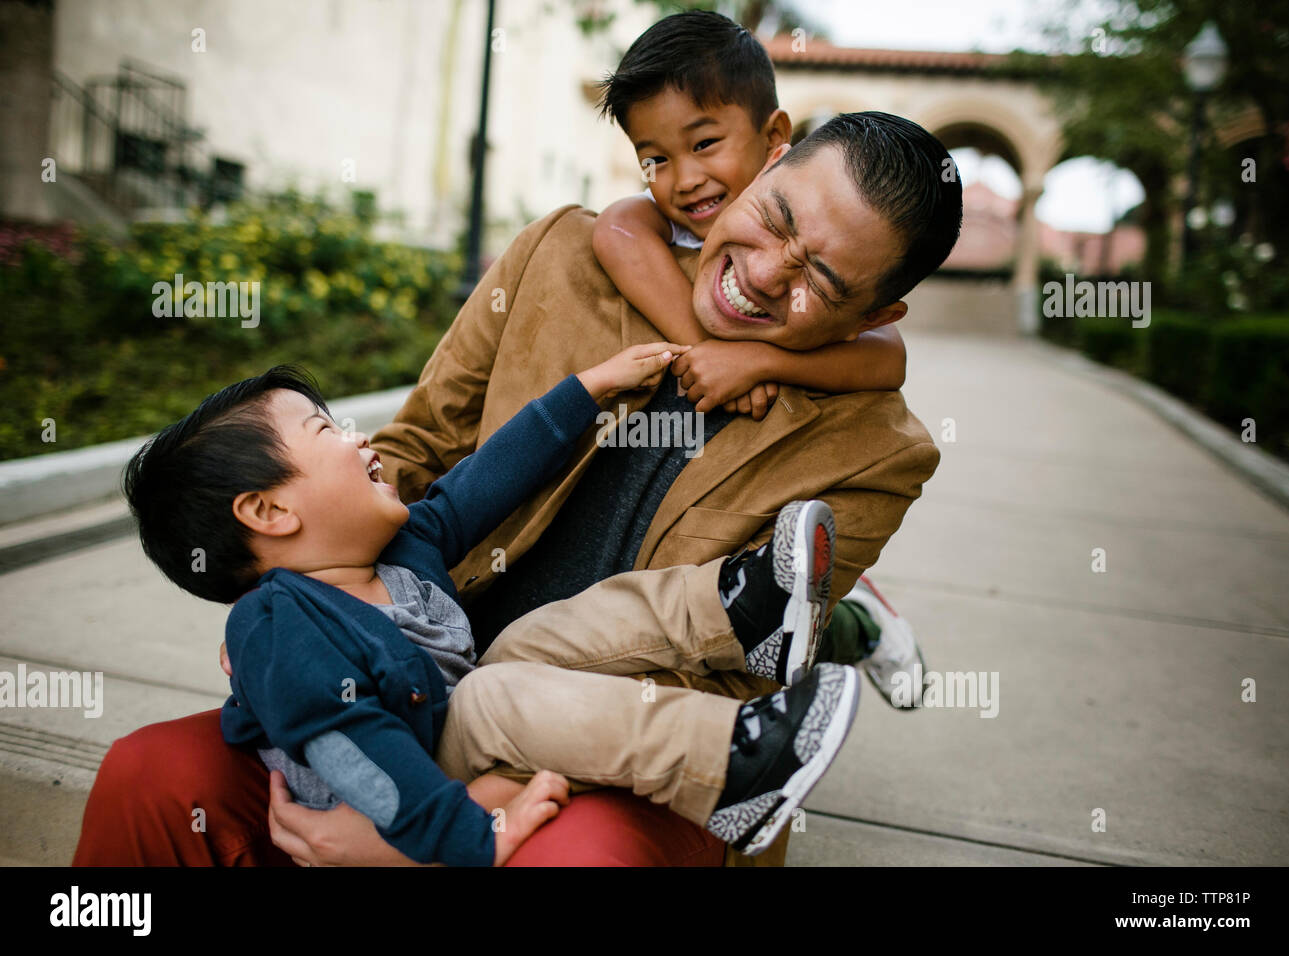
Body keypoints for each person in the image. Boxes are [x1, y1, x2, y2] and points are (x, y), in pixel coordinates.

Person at [74, 96, 961, 868]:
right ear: (768, 164)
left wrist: (454, 826)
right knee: (151, 778)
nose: (765, 272)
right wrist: (278, 601)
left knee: (584, 856)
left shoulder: (879, 452)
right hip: (396, 710)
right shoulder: (564, 259)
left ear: (876, 317)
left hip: (601, 739)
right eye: (776, 218)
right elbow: (415, 456)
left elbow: (734, 681)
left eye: (819, 279)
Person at [118, 354, 862, 863]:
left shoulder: (404, 549)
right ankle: (734, 767)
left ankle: (745, 615)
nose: (359, 438)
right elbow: (345, 747)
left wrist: (587, 389)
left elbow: (489, 478)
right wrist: (472, 835)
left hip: (453, 728)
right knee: (496, 693)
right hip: (403, 790)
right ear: (270, 511)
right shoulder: (277, 627)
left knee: (555, 626)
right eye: (327, 432)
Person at [590, 10, 929, 702]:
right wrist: (706, 344)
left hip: (770, 516)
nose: (683, 180)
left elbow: (887, 357)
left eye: (706, 143)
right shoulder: (657, 227)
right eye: (654, 158)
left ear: (775, 139)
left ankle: (862, 626)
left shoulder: (806, 218)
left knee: (784, 632)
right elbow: (615, 230)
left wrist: (763, 362)